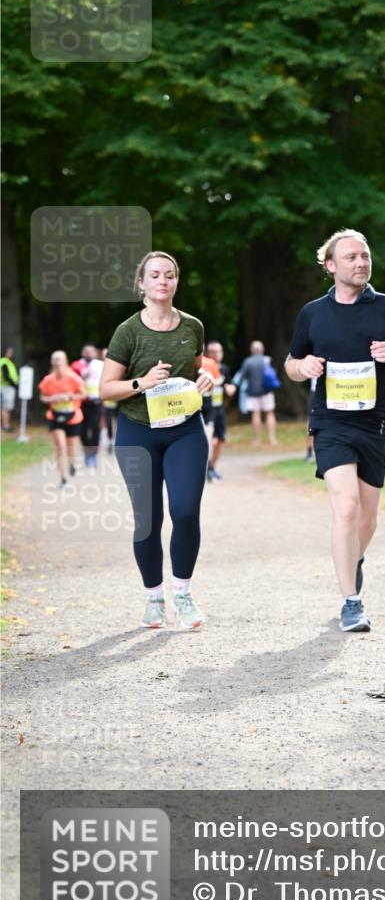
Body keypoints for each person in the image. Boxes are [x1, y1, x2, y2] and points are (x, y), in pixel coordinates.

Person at [285, 228, 385, 632]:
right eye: (351, 258)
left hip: (375, 423)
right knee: (346, 507)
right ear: (330, 266)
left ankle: (351, 559)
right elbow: (291, 364)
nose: (361, 263)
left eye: (365, 256)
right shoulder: (313, 313)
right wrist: (304, 367)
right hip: (330, 422)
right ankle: (351, 601)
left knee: (367, 518)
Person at [100, 251, 214, 631]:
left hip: (185, 430)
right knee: (148, 520)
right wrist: (142, 383)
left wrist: (208, 380)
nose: (162, 281)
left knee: (184, 511)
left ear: (176, 281)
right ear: (142, 284)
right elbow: (105, 390)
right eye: (155, 275)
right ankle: (153, 599)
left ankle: (183, 594)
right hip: (137, 432)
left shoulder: (192, 326)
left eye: (169, 275)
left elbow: (198, 370)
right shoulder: (128, 331)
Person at [38, 350, 85, 485]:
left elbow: (83, 394)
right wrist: (53, 398)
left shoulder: (74, 378)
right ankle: (63, 478)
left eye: (60, 363)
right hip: (55, 416)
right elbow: (42, 397)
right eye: (55, 363)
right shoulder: (47, 380)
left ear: (65, 362)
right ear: (52, 364)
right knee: (60, 447)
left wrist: (71, 397)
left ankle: (72, 463)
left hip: (73, 417)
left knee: (71, 448)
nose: (58, 366)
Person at [202, 340, 235, 481]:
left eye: (219, 351)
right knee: (209, 438)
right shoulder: (204, 366)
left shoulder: (224, 369)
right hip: (206, 407)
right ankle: (206, 467)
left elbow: (229, 385)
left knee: (220, 439)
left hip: (219, 407)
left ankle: (212, 467)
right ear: (207, 353)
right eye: (213, 351)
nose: (216, 354)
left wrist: (230, 388)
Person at [236, 340, 278, 446]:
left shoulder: (248, 362)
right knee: (270, 413)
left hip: (253, 392)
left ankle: (258, 440)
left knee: (256, 414)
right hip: (267, 391)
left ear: (251, 350)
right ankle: (272, 439)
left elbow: (241, 376)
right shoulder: (268, 360)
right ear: (262, 349)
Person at [71, 344, 104, 467]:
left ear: (95, 353)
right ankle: (86, 453)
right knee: (83, 430)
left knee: (96, 429)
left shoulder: (101, 365)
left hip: (96, 402)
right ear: (82, 353)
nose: (89, 354)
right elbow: (73, 380)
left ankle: (94, 455)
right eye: (87, 352)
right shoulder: (76, 365)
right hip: (81, 403)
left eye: (91, 352)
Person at [0, 346, 19, 432]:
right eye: (9, 352)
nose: (11, 354)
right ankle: (6, 425)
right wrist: (14, 384)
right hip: (7, 387)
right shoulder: (5, 362)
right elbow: (6, 375)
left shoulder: (5, 362)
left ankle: (5, 424)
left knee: (4, 407)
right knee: (6, 407)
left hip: (5, 386)